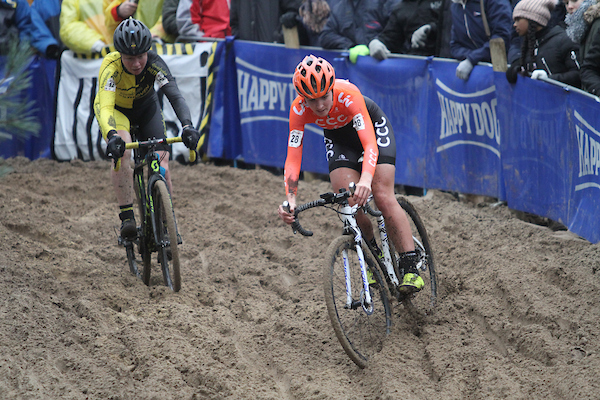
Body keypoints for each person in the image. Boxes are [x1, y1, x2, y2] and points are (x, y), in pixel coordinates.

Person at [277, 55, 424, 293]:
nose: (321, 105)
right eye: (313, 101)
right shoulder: (298, 110)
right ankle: (373, 258)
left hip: (371, 130)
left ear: (332, 87)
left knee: (382, 195)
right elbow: (293, 159)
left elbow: (369, 146)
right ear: (303, 99)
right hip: (339, 139)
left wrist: (366, 179)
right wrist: (290, 199)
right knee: (348, 202)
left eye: (325, 95)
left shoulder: (349, 94)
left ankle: (409, 265)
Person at [94, 18, 201, 238]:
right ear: (120, 54)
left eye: (140, 56)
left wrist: (187, 126)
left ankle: (167, 224)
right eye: (129, 58)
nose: (136, 64)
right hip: (117, 112)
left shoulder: (154, 62)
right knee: (123, 154)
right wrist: (112, 135)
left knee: (163, 165)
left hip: (146, 109)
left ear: (148, 52)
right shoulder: (110, 67)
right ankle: (127, 217)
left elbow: (175, 96)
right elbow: (105, 108)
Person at [506, 0, 580, 86]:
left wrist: (549, 79)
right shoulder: (528, 45)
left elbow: (578, 74)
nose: (514, 24)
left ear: (532, 19)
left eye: (518, 19)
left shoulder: (562, 40)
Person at [450, 0, 513, 80]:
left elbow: (502, 38)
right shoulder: (456, 5)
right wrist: (472, 58)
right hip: (472, 75)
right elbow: (454, 46)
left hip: (499, 71)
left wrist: (472, 59)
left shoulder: (495, 2)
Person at [319, 0, 397, 63]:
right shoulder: (339, 8)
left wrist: (377, 43)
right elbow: (326, 35)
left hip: (384, 68)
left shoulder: (384, 3)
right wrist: (350, 46)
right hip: (353, 72)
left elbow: (396, 29)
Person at [368, 0, 443, 60]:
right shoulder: (401, 8)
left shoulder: (445, 3)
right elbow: (390, 38)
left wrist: (431, 28)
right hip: (416, 64)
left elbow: (451, 26)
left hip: (444, 61)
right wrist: (376, 43)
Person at [229, 0, 302, 43]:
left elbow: (293, 11)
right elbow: (234, 21)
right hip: (246, 54)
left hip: (275, 53)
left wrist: (278, 38)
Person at [104, 0, 173, 43]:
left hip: (163, 43)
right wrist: (119, 11)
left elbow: (171, 13)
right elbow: (108, 23)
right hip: (136, 43)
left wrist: (155, 33)